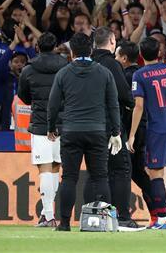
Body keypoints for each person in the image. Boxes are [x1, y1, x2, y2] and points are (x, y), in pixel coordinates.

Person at [47, 32, 122, 232]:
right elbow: (113, 104)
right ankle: (104, 223)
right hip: (97, 131)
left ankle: (64, 224)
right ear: (91, 50)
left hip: (71, 131)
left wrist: (51, 127)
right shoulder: (104, 73)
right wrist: (116, 131)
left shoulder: (63, 73)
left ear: (72, 51)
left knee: (69, 178)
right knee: (100, 177)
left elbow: (53, 104)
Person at [127, 37, 166, 230]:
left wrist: (132, 134)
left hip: (157, 129)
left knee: (156, 174)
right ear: (159, 53)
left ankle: (162, 219)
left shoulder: (139, 75)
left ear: (141, 54)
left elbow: (139, 106)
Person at [17, 32, 66, 227]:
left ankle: (48, 215)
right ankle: (49, 214)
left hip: (40, 124)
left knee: (44, 167)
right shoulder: (65, 67)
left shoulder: (28, 69)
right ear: (55, 47)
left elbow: (23, 97)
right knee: (55, 167)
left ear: (37, 47)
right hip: (62, 123)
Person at [91, 27, 137, 229]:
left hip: (88, 125)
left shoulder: (88, 62)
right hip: (111, 127)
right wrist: (131, 105)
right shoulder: (111, 64)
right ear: (112, 41)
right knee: (121, 169)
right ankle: (123, 218)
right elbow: (125, 95)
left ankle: (95, 218)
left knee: (97, 173)